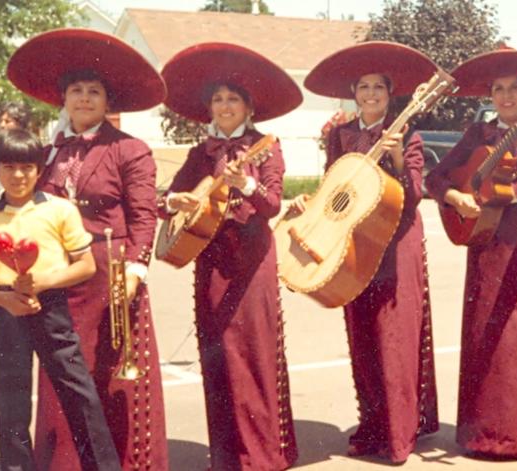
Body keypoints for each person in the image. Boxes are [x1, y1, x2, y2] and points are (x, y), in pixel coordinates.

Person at [6, 28, 168, 469]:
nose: (83, 98)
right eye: (75, 90)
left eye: (93, 91)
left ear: (107, 101)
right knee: (61, 370)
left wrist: (136, 267)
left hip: (110, 276)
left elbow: (144, 215)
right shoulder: (49, 151)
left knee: (106, 371)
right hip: (59, 275)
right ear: (63, 99)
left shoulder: (130, 149)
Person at [290, 41, 440, 463]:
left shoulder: (408, 133)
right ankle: (372, 427)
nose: (371, 94)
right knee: (362, 339)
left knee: (394, 339)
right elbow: (333, 184)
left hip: (396, 245)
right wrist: (310, 202)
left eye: (378, 87)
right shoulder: (341, 134)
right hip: (353, 246)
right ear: (354, 93)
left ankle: (399, 436)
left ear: (391, 94)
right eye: (363, 87)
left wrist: (395, 155)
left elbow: (412, 196)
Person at [425, 48, 517, 458]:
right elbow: (436, 177)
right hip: (486, 240)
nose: (506, 96)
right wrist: (457, 197)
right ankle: (483, 434)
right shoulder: (480, 134)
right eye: (498, 89)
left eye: (514, 88)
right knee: (485, 332)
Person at [159, 42, 301, 470]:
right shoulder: (200, 153)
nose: (224, 106)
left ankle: (262, 454)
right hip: (211, 260)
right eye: (218, 99)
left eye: (232, 99)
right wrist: (176, 202)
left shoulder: (266, 147)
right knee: (216, 352)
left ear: (248, 107)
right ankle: (225, 455)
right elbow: (169, 196)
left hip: (252, 261)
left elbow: (274, 204)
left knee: (254, 354)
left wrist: (247, 186)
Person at [0, 128, 120, 471]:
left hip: (51, 308)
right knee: (11, 402)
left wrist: (44, 282)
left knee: (79, 394)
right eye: (8, 167)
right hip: (7, 312)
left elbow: (85, 265)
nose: (18, 175)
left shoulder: (60, 210)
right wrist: (0, 298)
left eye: (27, 167)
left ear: (40, 170)